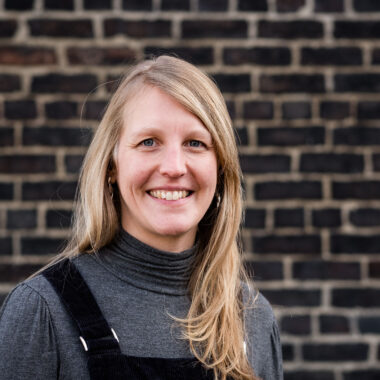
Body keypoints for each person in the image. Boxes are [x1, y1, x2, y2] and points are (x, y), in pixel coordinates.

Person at [0, 55, 283, 380]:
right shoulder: (43, 312)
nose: (174, 167)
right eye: (149, 142)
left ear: (219, 168)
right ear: (111, 167)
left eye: (195, 143)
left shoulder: (253, 319)